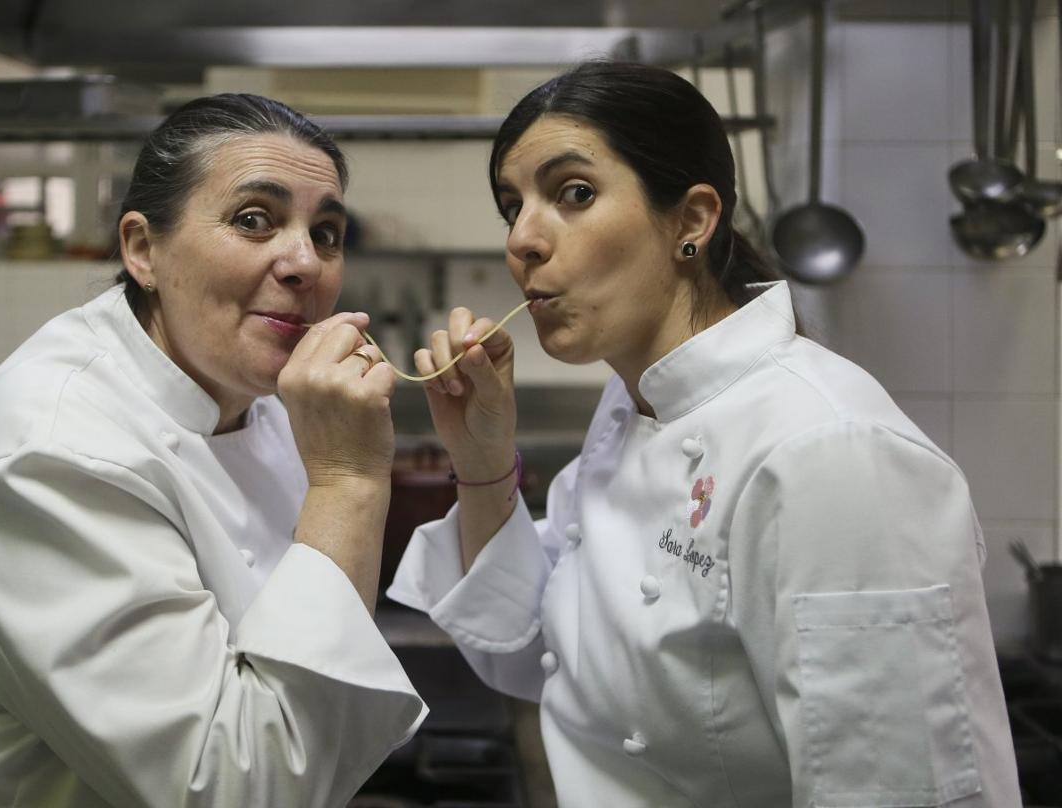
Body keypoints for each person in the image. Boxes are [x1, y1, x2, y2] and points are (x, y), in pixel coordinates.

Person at [387, 61, 1020, 807]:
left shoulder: (831, 452)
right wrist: (483, 459)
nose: (522, 239)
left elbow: (898, 788)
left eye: (574, 194)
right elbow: (538, 650)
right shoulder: (632, 411)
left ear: (691, 220)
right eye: (511, 206)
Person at [0, 93, 426, 807]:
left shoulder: (247, 390)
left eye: (326, 233)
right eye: (254, 219)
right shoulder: (55, 457)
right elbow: (233, 789)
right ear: (142, 250)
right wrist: (348, 482)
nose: (304, 262)